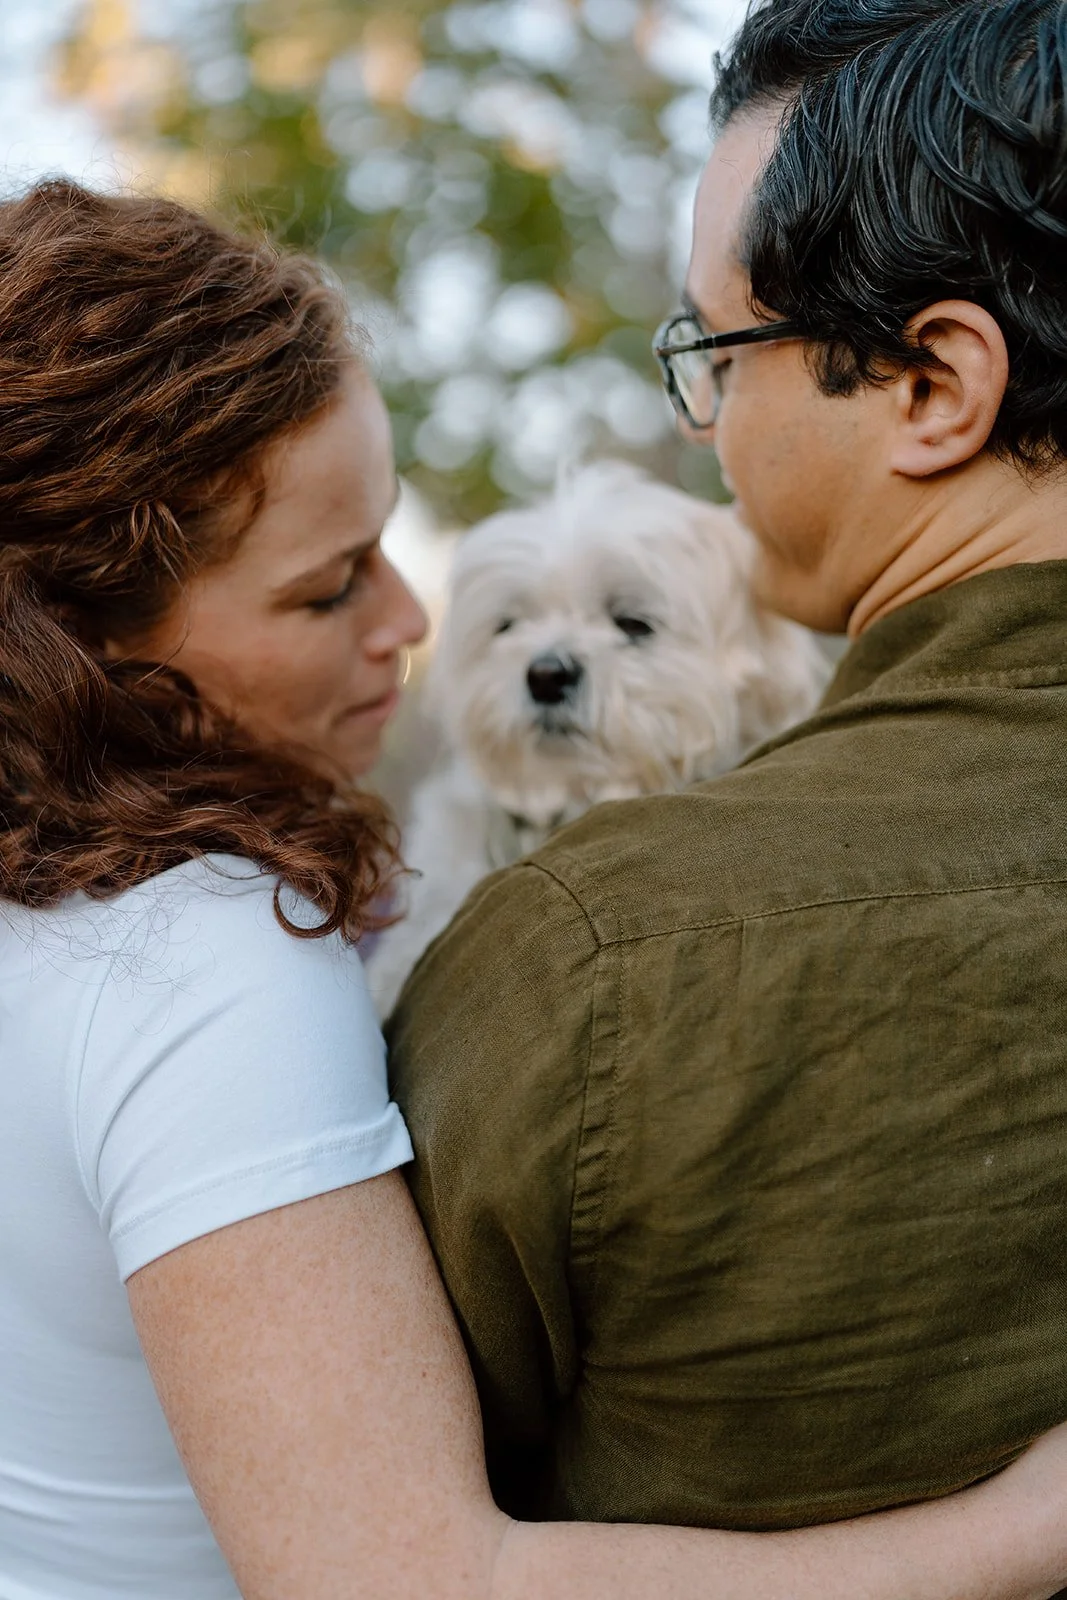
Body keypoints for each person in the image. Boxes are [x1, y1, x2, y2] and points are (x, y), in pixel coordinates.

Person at [3, 179, 1067, 1600]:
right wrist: (1012, 1534)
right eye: (331, 590)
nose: (413, 620)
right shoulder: (212, 963)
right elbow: (401, 1580)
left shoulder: (66, 898)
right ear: (81, 645)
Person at [389, 0, 1067, 1542]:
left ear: (930, 386)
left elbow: (372, 1537)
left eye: (719, 351)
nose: (702, 429)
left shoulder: (584, 955)